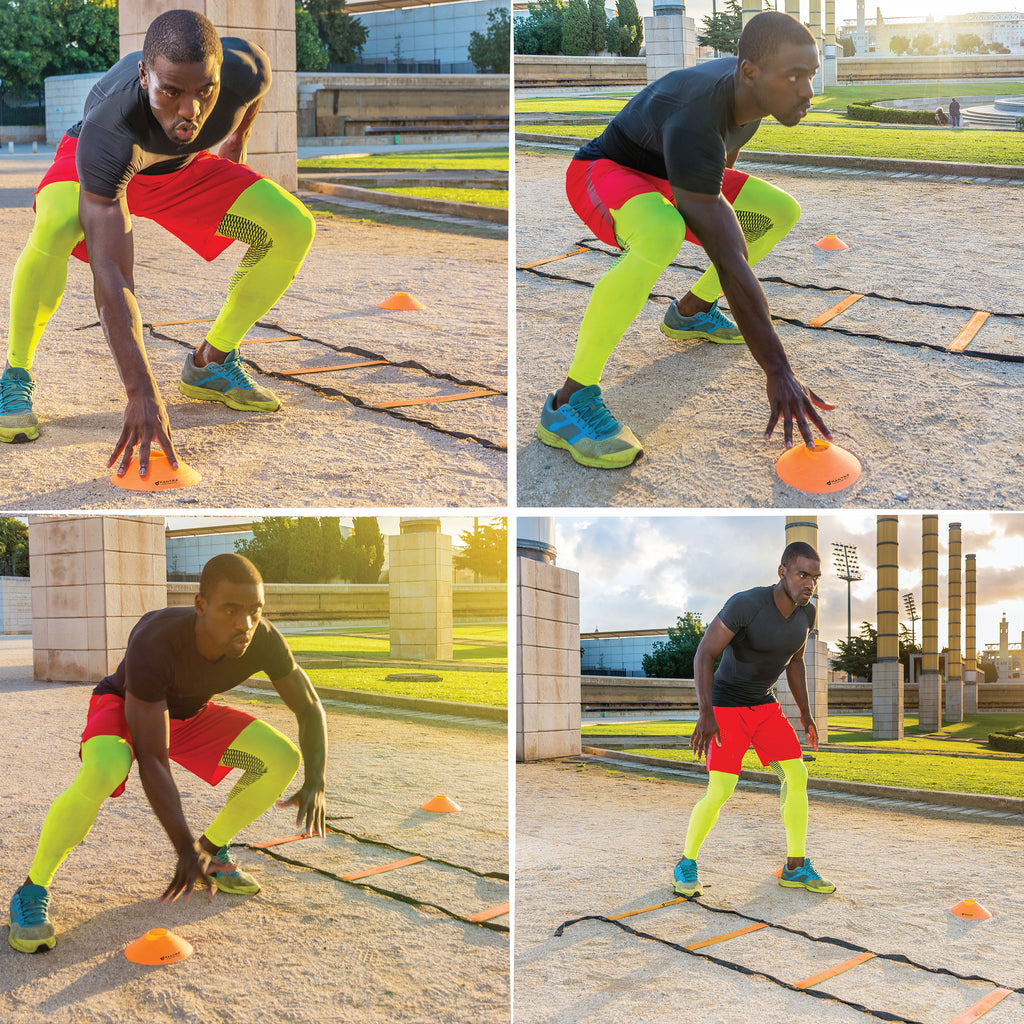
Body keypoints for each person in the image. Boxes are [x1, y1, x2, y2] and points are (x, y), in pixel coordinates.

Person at [0, 9, 316, 480]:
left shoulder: (242, 70)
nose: (190, 110)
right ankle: (15, 374)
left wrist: (237, 140)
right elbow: (112, 273)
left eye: (203, 91)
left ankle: (211, 362)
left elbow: (257, 84)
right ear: (145, 76)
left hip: (178, 167)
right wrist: (141, 392)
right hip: (105, 162)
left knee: (293, 226)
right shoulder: (108, 131)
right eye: (171, 92)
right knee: (59, 223)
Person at [537, 11, 834, 470]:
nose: (808, 90)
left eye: (810, 75)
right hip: (606, 170)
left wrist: (715, 218)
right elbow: (731, 257)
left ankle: (691, 313)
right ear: (750, 72)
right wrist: (778, 370)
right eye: (794, 76)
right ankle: (568, 401)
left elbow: (718, 170)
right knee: (663, 231)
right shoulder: (700, 112)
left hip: (675, 172)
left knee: (779, 211)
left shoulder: (751, 99)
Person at [8, 552, 328, 954]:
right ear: (201, 606)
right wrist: (181, 846)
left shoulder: (262, 638)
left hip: (190, 714)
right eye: (231, 610)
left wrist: (316, 778)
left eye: (254, 610)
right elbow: (153, 758)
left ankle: (213, 852)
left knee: (283, 759)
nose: (245, 624)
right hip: (127, 706)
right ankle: (31, 889)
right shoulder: (156, 640)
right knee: (106, 768)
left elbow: (309, 706)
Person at [672, 541, 835, 898]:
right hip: (726, 708)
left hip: (764, 707)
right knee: (721, 790)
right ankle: (685, 862)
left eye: (815, 578)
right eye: (802, 574)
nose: (810, 584)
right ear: (783, 572)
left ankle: (795, 866)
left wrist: (806, 713)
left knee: (796, 773)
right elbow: (704, 654)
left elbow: (795, 661)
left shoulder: (808, 613)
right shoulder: (746, 604)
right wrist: (706, 713)